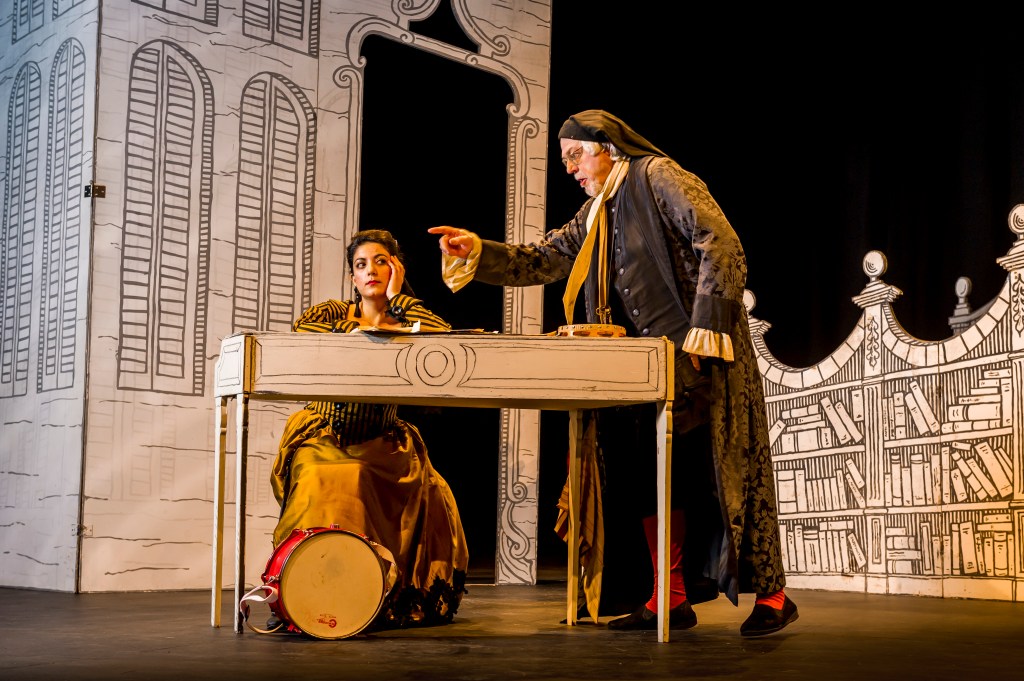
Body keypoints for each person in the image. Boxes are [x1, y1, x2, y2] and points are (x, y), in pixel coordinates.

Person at [428, 110, 798, 636]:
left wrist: (708, 324)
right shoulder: (596, 210)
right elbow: (545, 257)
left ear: (608, 147)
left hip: (700, 354)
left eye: (575, 155)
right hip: (642, 368)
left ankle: (774, 597)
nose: (570, 168)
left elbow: (720, 241)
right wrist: (479, 250)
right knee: (652, 479)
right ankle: (669, 597)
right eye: (565, 160)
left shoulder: (657, 175)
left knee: (727, 476)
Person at [269, 228, 469, 631]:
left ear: (396, 269)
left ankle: (371, 596)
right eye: (362, 265)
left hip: (383, 442)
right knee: (331, 478)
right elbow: (303, 337)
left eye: (381, 261)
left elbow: (445, 343)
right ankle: (305, 593)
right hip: (325, 435)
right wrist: (364, 334)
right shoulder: (330, 314)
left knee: (397, 482)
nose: (371, 270)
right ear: (353, 277)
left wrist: (398, 301)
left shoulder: (409, 318)